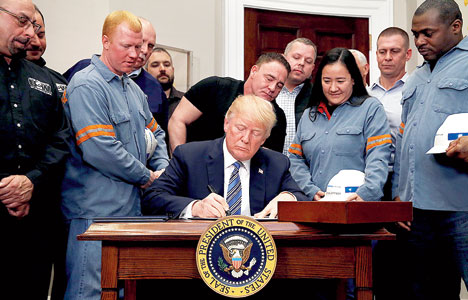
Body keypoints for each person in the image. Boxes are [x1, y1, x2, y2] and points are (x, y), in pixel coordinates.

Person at [61, 11, 169, 300]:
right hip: (95, 216)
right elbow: (100, 148)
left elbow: (156, 135)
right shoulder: (87, 84)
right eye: (128, 46)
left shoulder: (132, 89)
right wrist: (148, 177)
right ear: (105, 42)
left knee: (122, 294)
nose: (137, 54)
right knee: (90, 293)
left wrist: (163, 171)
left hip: (130, 214)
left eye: (141, 47)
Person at [392, 1, 468, 299]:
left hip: (461, 206)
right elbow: (405, 139)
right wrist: (402, 195)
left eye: (428, 33)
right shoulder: (417, 76)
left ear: (456, 26)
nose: (420, 41)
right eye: (415, 34)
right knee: (428, 291)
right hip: (419, 210)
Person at [0, 0, 70, 299]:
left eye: (36, 27)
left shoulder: (46, 81)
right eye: (22, 21)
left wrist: (31, 181)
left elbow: (62, 138)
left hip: (37, 214)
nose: (30, 33)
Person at [143, 94, 308, 219]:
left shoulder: (276, 164)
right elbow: (153, 198)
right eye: (240, 128)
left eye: (256, 133)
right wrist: (195, 207)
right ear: (226, 124)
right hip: (198, 246)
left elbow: (302, 198)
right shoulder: (190, 156)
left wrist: (289, 198)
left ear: (264, 138)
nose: (245, 139)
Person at [288, 47, 391, 202]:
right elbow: (295, 158)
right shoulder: (309, 116)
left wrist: (367, 193)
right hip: (315, 209)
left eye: (340, 81)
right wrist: (309, 189)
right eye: (327, 81)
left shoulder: (370, 109)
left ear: (353, 79)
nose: (333, 88)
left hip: (356, 208)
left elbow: (379, 156)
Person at [168, 52, 290, 153]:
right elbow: (178, 120)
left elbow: (269, 159)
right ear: (254, 71)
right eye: (269, 79)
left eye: (279, 85)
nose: (273, 88)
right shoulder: (215, 87)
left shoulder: (277, 118)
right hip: (194, 165)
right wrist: (180, 163)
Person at [62, 17, 169, 132]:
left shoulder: (155, 89)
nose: (144, 50)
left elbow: (159, 135)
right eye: (141, 43)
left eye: (150, 46)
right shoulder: (83, 69)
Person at [368, 27, 412, 200]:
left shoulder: (417, 91)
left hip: (404, 178)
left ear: (407, 54)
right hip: (369, 177)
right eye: (382, 51)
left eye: (394, 51)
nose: (387, 57)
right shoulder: (366, 95)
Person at [277, 38, 317, 155]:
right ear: (283, 59)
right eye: (296, 57)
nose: (301, 63)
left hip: (304, 168)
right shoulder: (267, 90)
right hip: (269, 166)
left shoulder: (318, 96)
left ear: (312, 68)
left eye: (308, 61)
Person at [25, 5, 67, 97]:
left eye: (41, 35)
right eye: (30, 36)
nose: (37, 43)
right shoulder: (9, 79)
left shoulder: (60, 80)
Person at [146, 47, 184, 119]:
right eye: (155, 65)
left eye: (166, 65)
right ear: (146, 71)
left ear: (173, 70)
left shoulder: (186, 101)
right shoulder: (138, 101)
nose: (162, 69)